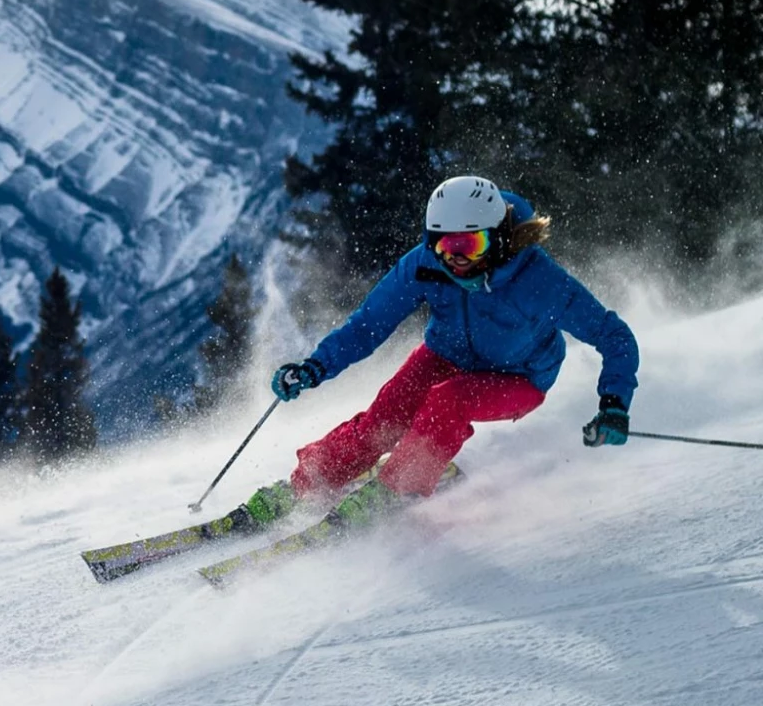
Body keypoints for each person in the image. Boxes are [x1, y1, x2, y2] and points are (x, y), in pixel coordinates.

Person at [249, 174, 638, 526]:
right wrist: (314, 367)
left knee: (447, 402)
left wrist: (614, 404)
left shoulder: (538, 280)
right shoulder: (424, 265)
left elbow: (614, 336)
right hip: (445, 356)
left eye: (470, 244)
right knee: (384, 419)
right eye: (443, 244)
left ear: (498, 236)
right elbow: (368, 327)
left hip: (519, 377)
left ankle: (397, 492)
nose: (455, 259)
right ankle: (311, 480)